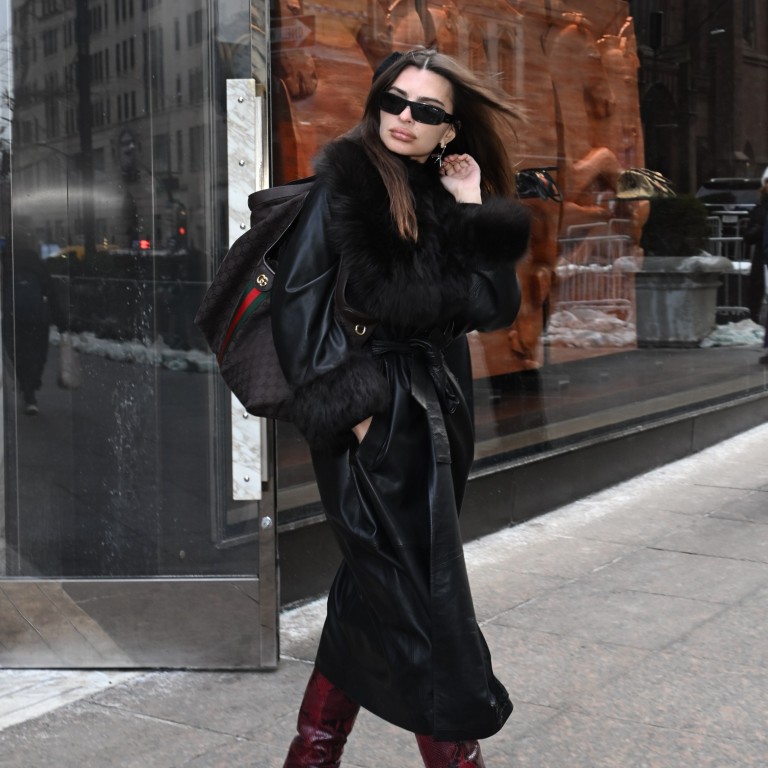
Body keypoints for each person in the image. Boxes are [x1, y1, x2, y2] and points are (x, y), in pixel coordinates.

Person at [271, 49, 531, 767]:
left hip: (437, 415)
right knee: (428, 607)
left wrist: (474, 205)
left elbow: (493, 308)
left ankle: (311, 754)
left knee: (376, 588)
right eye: (393, 101)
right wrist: (361, 417)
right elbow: (297, 311)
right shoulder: (344, 185)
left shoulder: (441, 196)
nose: (404, 118)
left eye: (426, 111)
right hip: (375, 419)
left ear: (450, 130)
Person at [1, 223, 54, 415]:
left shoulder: (7, 263)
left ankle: (26, 387)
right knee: (37, 351)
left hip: (13, 316)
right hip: (35, 316)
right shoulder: (35, 261)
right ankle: (32, 387)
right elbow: (49, 288)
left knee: (16, 351)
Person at [743, 168, 768, 325]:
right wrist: (758, 230)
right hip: (763, 258)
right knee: (757, 291)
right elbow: (749, 237)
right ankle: (755, 320)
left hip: (763, 257)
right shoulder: (760, 209)